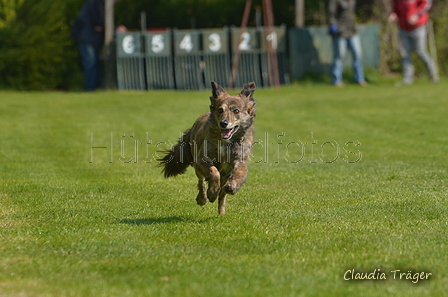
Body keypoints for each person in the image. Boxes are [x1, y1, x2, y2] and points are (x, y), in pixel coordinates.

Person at [389, 0, 438, 85]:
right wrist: (394, 14)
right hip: (403, 28)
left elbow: (427, 3)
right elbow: (396, 8)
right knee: (404, 54)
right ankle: (407, 79)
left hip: (418, 27)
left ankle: (433, 74)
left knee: (420, 51)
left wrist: (416, 15)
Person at [328, 0, 367, 87]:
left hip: (352, 32)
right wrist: (333, 25)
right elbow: (331, 14)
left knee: (358, 55)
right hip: (340, 33)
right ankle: (337, 80)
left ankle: (360, 79)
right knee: (339, 57)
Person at [71, 0, 105, 91]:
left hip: (87, 36)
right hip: (88, 37)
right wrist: (116, 28)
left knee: (93, 63)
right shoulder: (98, 2)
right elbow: (100, 21)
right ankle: (91, 88)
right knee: (91, 63)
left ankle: (94, 87)